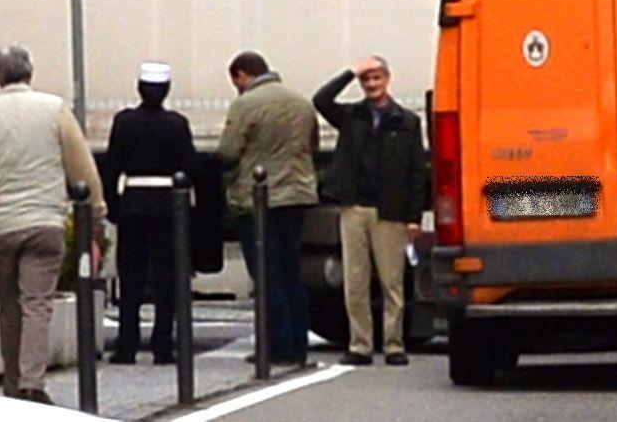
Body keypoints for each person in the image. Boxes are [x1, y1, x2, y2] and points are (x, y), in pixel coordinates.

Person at [0, 46, 105, 405]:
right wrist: (95, 213)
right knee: (37, 303)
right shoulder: (54, 110)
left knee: (9, 306)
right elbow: (82, 168)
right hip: (44, 221)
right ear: (30, 71)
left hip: (0, 225)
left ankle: (12, 385)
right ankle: (32, 385)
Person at [313, 56, 430, 367]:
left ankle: (394, 344)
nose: (372, 85)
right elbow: (321, 100)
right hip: (354, 206)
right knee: (356, 280)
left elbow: (417, 172)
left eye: (376, 78)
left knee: (391, 281)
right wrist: (350, 72)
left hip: (389, 211)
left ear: (387, 79)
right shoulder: (352, 116)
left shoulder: (406, 122)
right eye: (367, 80)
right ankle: (360, 344)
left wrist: (413, 216)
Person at [220, 51, 318, 368]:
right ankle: (298, 345)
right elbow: (312, 145)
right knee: (291, 272)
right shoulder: (301, 102)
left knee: (266, 275)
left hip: (258, 199)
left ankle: (276, 347)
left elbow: (228, 151)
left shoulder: (246, 104)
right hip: (296, 196)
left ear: (241, 75)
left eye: (236, 81)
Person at [103, 61, 200, 365]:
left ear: (140, 89)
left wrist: (113, 205)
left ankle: (127, 344)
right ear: (166, 90)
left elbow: (112, 166)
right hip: (167, 204)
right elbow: (190, 165)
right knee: (166, 276)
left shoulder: (124, 122)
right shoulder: (177, 124)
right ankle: (162, 343)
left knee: (130, 275)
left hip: (133, 201)